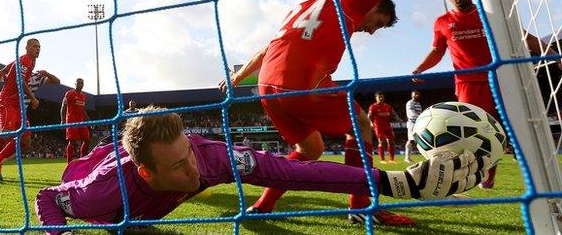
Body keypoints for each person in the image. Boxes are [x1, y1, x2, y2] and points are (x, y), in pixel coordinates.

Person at [35, 105, 490, 235]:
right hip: (93, 174)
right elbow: (47, 198)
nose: (194, 171)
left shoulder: (210, 158)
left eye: (189, 152)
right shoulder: (99, 193)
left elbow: (297, 173)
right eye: (178, 164)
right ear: (147, 172)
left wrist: (393, 182)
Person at [218, 0, 413, 225]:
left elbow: (269, 47)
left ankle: (263, 206)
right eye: (379, 22)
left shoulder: (309, 5)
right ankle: (361, 208)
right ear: (376, 4)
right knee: (362, 125)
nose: (372, 30)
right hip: (301, 83)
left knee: (311, 149)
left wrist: (238, 76)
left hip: (266, 85)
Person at [411, 0, 558, 189]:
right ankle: (485, 175)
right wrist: (420, 68)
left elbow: (522, 36)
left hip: (503, 77)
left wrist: (552, 55)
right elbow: (437, 51)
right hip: (468, 83)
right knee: (478, 130)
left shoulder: (490, 16)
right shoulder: (442, 22)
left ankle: (535, 170)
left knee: (517, 124)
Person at [0, 64, 60, 179]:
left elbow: (56, 81)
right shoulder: (15, 73)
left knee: (25, 143)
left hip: (21, 114)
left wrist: (46, 73)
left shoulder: (37, 77)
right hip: (8, 111)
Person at [0, 38, 41, 182]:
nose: (38, 49)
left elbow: (4, 69)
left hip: (17, 103)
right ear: (27, 48)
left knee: (25, 140)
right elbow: (20, 80)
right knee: (6, 133)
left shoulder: (28, 62)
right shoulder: (24, 60)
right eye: (34, 46)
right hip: (7, 101)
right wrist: (32, 97)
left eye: (39, 47)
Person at [368, 91, 403, 164]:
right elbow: (369, 116)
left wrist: (398, 119)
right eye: (379, 97)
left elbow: (393, 114)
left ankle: (392, 159)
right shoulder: (373, 107)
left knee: (391, 142)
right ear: (376, 98)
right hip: (378, 126)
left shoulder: (388, 106)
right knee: (381, 141)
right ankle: (382, 160)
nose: (381, 98)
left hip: (388, 126)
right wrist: (371, 123)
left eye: (382, 97)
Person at [61, 78, 90, 163]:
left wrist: (89, 120)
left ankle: (82, 161)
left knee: (87, 140)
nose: (80, 84)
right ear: (75, 83)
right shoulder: (69, 93)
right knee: (72, 142)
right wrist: (62, 120)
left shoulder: (83, 96)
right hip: (71, 121)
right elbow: (63, 107)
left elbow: (83, 110)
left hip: (81, 122)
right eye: (79, 83)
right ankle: (69, 163)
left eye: (82, 83)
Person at [404, 90, 422, 163]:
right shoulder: (410, 103)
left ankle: (408, 157)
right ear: (412, 95)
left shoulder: (418, 103)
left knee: (417, 140)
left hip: (417, 122)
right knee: (411, 140)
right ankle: (407, 158)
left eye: (418, 94)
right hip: (412, 123)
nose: (417, 95)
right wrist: (421, 116)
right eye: (415, 94)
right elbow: (411, 113)